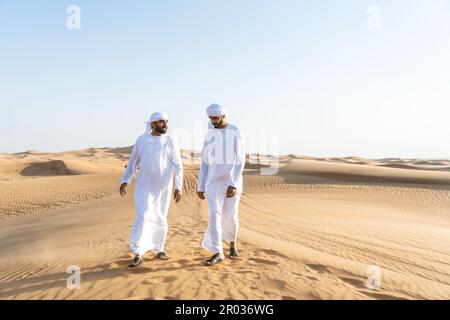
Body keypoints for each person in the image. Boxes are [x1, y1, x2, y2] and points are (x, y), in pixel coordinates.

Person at [120, 112, 183, 267]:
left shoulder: (170, 141)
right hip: (145, 186)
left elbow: (178, 165)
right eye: (161, 122)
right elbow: (133, 161)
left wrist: (178, 186)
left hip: (163, 188)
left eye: (167, 122)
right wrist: (125, 180)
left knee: (161, 217)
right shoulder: (142, 140)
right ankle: (137, 252)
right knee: (143, 216)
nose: (165, 125)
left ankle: (158, 248)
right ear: (152, 124)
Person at [198, 104, 245, 266]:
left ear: (223, 116)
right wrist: (200, 185)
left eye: (215, 118)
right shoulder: (209, 134)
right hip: (213, 182)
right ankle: (218, 251)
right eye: (210, 118)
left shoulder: (235, 131)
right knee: (213, 215)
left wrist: (233, 183)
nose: (212, 121)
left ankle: (233, 244)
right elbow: (204, 162)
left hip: (231, 181)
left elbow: (240, 160)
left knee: (231, 215)